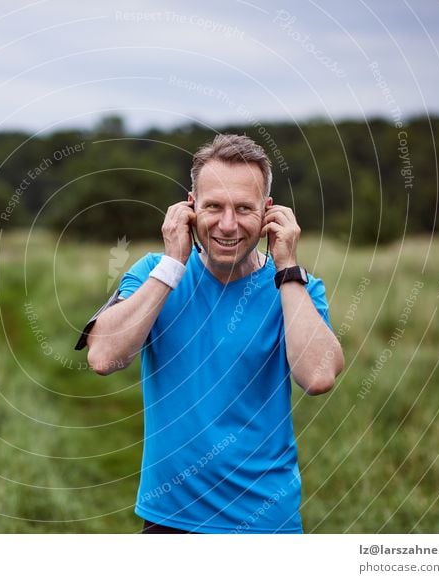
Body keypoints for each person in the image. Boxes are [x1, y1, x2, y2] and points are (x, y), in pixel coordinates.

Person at [75, 134, 344, 534]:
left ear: (268, 212)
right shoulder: (155, 273)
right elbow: (103, 357)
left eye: (244, 208)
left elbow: (319, 376)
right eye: (213, 206)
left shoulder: (295, 287)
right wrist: (172, 264)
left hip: (265, 522)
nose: (228, 224)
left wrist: (287, 268)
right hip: (171, 519)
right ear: (190, 207)